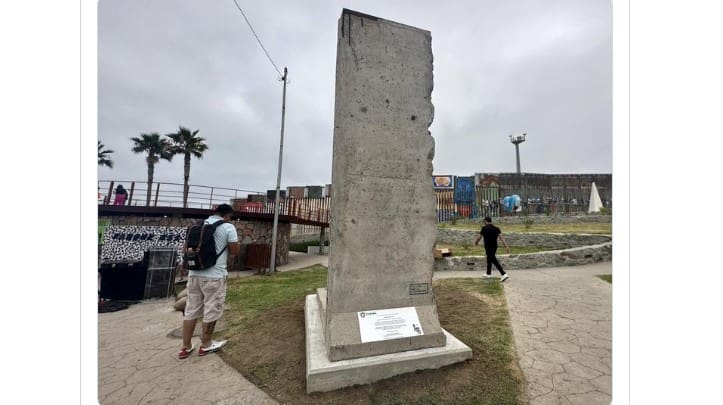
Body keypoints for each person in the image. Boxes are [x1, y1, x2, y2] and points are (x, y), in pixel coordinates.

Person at [179, 204, 240, 359]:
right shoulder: (227, 227)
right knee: (212, 308)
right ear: (227, 215)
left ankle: (185, 347)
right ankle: (206, 344)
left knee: (191, 309)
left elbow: (186, 249)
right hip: (214, 275)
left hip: (194, 273)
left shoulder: (198, 226)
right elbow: (234, 251)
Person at [474, 216, 511, 282]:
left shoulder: (484, 228)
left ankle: (503, 274)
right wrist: (506, 246)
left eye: (484, 222)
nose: (484, 223)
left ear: (485, 221)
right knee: (489, 258)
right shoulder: (497, 228)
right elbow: (501, 238)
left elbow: (479, 237)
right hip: (494, 246)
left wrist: (476, 242)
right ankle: (488, 274)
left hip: (488, 246)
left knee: (493, 259)